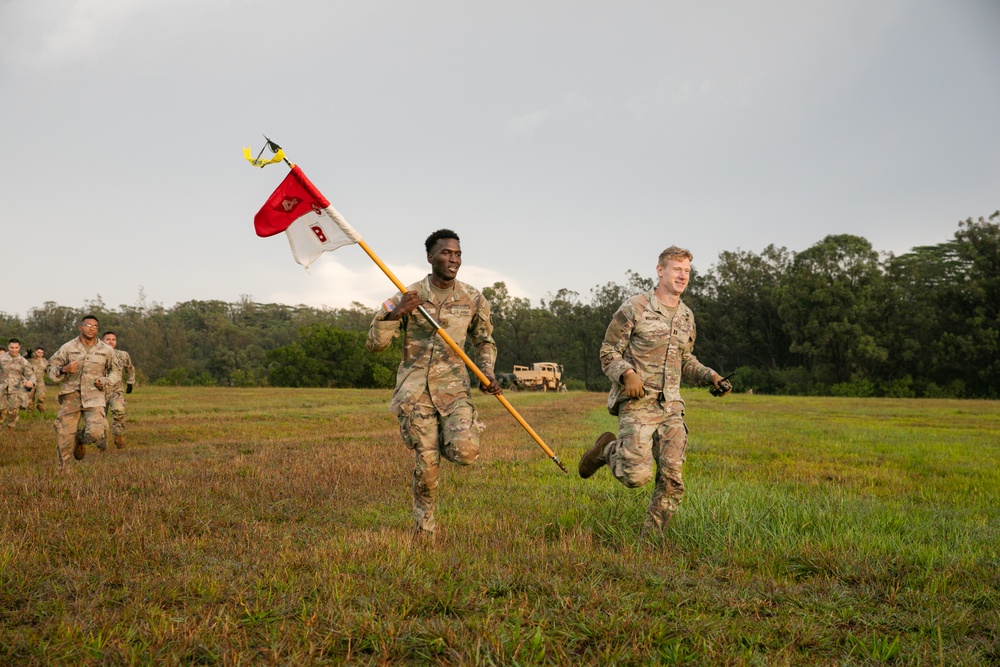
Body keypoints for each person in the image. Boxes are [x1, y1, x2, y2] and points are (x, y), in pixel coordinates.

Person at [578, 246, 732, 536]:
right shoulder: (635, 307)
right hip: (638, 403)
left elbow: (685, 359)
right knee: (635, 476)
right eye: (677, 269)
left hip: (671, 407)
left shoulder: (686, 316)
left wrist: (710, 375)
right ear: (660, 270)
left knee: (673, 479)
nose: (682, 276)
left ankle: (652, 540)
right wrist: (627, 373)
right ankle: (607, 450)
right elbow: (608, 351)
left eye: (686, 270)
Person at [366, 229, 502, 537]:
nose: (453, 259)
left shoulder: (474, 298)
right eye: (446, 253)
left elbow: (484, 341)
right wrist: (396, 314)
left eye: (457, 254)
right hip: (416, 393)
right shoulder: (407, 294)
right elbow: (374, 345)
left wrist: (488, 372)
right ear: (430, 257)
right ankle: (424, 529)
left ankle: (445, 438)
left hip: (454, 391)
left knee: (465, 453)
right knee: (427, 471)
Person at [47, 315, 118, 465]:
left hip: (95, 396)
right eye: (88, 325)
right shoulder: (68, 348)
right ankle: (64, 470)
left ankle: (80, 439)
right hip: (71, 396)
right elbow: (50, 369)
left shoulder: (106, 350)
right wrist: (63, 369)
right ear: (80, 327)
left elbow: (115, 371)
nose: (91, 329)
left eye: (95, 326)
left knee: (97, 433)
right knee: (65, 435)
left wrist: (106, 381)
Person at [101, 331, 136, 449]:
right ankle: (102, 444)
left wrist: (130, 382)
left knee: (119, 411)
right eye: (108, 339)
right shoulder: (96, 355)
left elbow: (129, 368)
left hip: (116, 390)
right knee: (100, 419)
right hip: (99, 391)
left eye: (113, 339)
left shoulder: (123, 355)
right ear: (102, 341)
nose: (111, 342)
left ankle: (118, 435)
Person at [0, 339, 36, 430]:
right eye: (12, 347)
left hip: (16, 388)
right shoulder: (1, 358)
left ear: (19, 348)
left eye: (16, 348)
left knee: (14, 411)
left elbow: (31, 374)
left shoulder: (23, 361)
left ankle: (10, 428)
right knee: (1, 409)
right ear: (8, 347)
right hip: (2, 387)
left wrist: (31, 382)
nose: (14, 350)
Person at [26, 347, 48, 412]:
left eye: (42, 352)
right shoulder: (30, 360)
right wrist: (28, 354)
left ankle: (39, 404)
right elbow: (24, 359)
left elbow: (48, 370)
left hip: (40, 381)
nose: (40, 354)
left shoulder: (45, 361)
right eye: (38, 352)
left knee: (41, 394)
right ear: (35, 352)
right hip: (31, 381)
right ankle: (30, 412)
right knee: (30, 397)